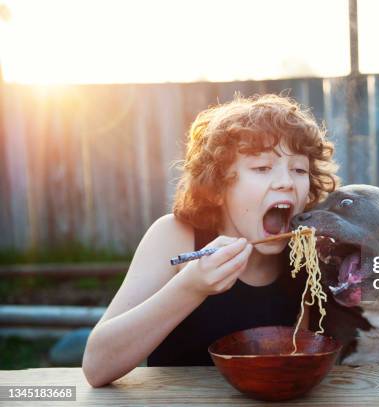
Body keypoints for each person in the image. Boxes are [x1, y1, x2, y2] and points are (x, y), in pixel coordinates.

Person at [82, 94, 339, 387]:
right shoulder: (175, 237)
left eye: (299, 170)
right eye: (262, 168)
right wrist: (190, 287)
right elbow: (96, 366)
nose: (286, 182)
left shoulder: (309, 258)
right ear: (218, 187)